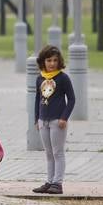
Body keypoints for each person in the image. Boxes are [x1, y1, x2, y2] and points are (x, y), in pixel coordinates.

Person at [31, 44, 76, 195]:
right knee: (48, 153)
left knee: (58, 152)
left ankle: (58, 183)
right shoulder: (40, 79)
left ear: (59, 61)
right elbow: (37, 99)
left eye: (55, 60)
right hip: (43, 121)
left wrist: (64, 117)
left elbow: (72, 99)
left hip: (58, 121)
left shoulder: (63, 78)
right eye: (48, 60)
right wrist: (36, 119)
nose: (51, 63)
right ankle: (49, 181)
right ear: (43, 61)